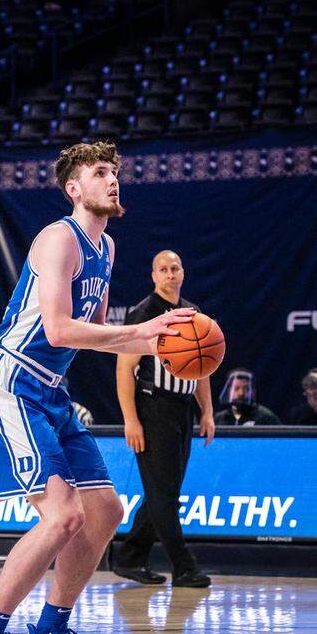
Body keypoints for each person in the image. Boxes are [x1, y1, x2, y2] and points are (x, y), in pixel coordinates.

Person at [0, 141, 196, 634]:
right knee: (64, 517)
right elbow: (61, 329)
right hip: (12, 382)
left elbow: (96, 340)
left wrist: (159, 345)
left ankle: (50, 632)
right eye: (99, 173)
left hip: (52, 390)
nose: (113, 181)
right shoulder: (57, 240)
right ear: (73, 188)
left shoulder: (105, 248)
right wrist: (139, 329)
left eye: (115, 172)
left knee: (106, 511)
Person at [111, 250, 216, 589]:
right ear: (153, 275)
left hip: (182, 409)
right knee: (165, 493)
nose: (170, 274)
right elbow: (125, 370)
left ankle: (129, 557)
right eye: (164, 269)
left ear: (183, 272)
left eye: (176, 268)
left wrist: (208, 411)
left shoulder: (192, 314)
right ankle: (184, 567)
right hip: (152, 408)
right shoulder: (143, 315)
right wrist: (131, 421)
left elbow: (203, 368)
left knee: (163, 492)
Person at [214, 368, 281, 426]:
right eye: (236, 388)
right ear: (229, 391)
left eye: (246, 389)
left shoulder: (266, 418)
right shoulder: (218, 419)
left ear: (253, 392)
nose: (241, 393)